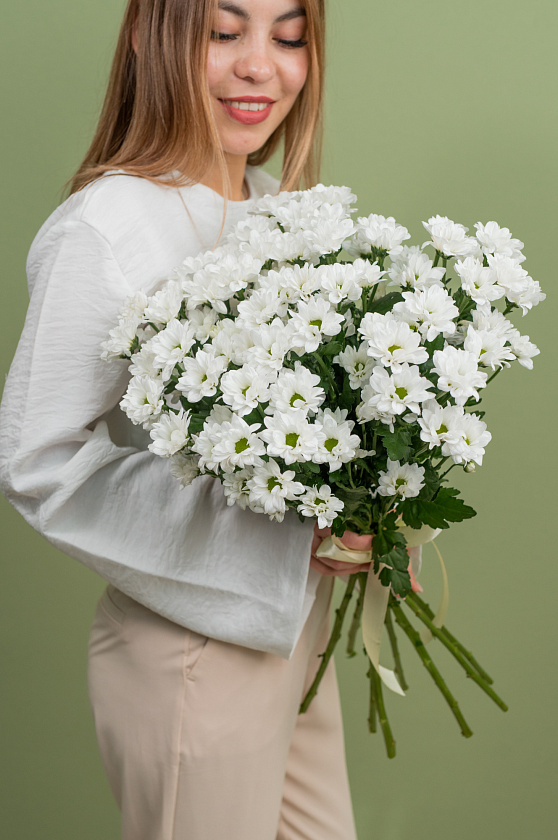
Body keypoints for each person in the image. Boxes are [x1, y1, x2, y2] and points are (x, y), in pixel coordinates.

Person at [0, 1, 373, 839]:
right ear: (149, 36)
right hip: (189, 650)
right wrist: (280, 530)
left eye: (288, 36)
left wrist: (368, 509)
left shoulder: (283, 209)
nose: (259, 65)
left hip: (291, 634)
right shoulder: (110, 223)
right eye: (222, 32)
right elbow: (37, 458)